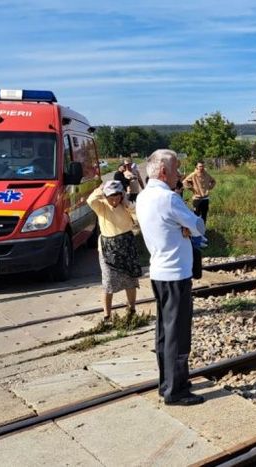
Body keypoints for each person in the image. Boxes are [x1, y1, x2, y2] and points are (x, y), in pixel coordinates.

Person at [137, 149, 206, 406]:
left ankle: (166, 382)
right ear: (164, 171)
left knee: (164, 332)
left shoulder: (144, 196)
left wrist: (181, 227)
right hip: (176, 272)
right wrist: (188, 226)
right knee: (178, 333)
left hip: (158, 271)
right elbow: (199, 225)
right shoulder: (168, 198)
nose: (179, 173)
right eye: (176, 168)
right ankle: (175, 391)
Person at [87, 180, 142, 321]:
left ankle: (132, 309)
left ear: (122, 195)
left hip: (126, 244)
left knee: (130, 279)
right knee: (108, 281)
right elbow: (90, 200)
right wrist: (100, 189)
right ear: (106, 196)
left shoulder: (126, 206)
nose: (114, 200)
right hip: (108, 247)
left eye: (117, 196)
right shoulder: (102, 207)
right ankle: (107, 314)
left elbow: (138, 218)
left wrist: (128, 205)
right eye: (111, 197)